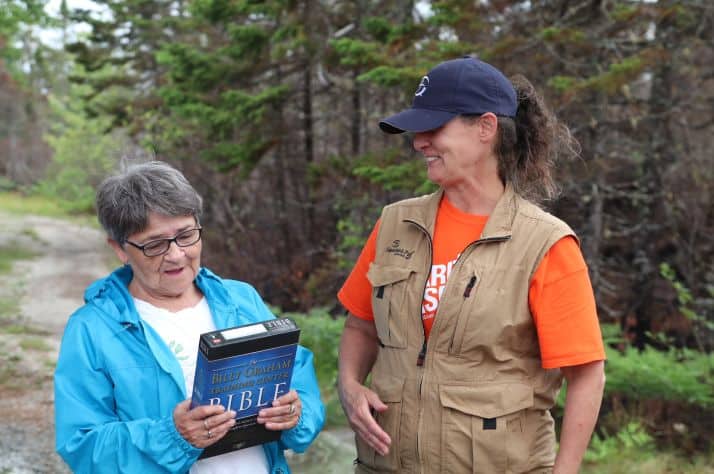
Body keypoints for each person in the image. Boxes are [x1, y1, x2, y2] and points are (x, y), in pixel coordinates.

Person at [337, 56, 606, 473]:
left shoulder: (544, 243)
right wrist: (350, 386)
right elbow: (360, 324)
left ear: (485, 128)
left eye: (434, 128)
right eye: (416, 131)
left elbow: (586, 374)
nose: (418, 142)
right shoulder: (395, 223)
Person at [54, 161, 325, 474]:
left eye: (186, 235)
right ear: (120, 249)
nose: (176, 255)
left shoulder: (240, 300)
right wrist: (172, 436)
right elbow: (82, 446)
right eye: (155, 244)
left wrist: (295, 414)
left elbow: (300, 383)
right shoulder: (92, 328)